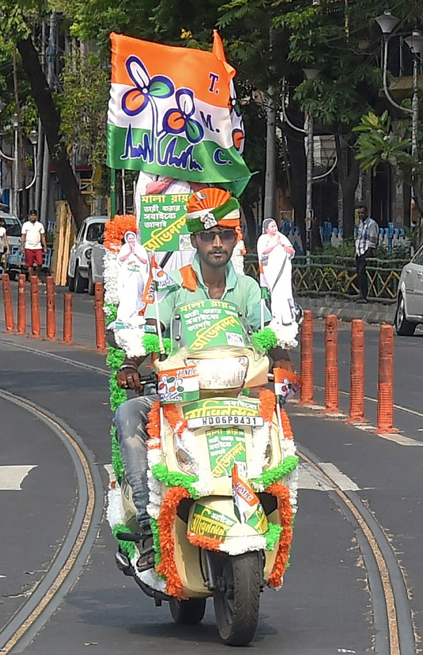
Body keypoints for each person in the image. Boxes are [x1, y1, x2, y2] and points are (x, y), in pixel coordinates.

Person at [112, 188, 293, 570]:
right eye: (209, 236)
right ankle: (147, 522)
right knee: (129, 414)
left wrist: (285, 362)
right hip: (181, 397)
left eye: (225, 235)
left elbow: (267, 333)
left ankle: (268, 506)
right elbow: (151, 332)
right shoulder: (173, 287)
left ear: (235, 239)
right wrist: (131, 364)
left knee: (276, 426)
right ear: (194, 239)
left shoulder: (247, 289)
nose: (217, 244)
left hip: (237, 395)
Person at [354, 205, 380, 303]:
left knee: (363, 273)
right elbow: (359, 238)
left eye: (362, 213)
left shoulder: (371, 224)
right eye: (359, 213)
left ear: (366, 213)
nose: (361, 215)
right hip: (359, 252)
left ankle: (365, 296)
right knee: (359, 274)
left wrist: (368, 252)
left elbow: (372, 239)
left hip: (366, 252)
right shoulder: (360, 224)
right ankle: (361, 294)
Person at [20, 209, 46, 277]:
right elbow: (23, 236)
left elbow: (43, 236)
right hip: (29, 246)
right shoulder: (26, 225)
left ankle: (36, 275)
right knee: (29, 264)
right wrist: (22, 246)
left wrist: (45, 247)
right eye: (31, 215)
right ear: (29, 216)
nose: (33, 217)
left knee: (40, 262)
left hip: (38, 247)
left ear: (36, 216)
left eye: (34, 215)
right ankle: (31, 277)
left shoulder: (40, 225)